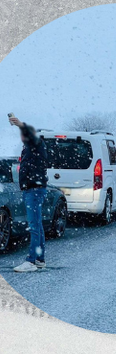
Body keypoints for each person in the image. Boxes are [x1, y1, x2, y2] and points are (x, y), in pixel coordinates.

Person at [9, 115, 48, 272]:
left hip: (34, 189)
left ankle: (31, 261)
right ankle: (39, 259)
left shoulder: (36, 145)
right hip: (32, 189)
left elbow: (32, 136)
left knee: (33, 225)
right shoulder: (29, 149)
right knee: (37, 224)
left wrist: (20, 124)